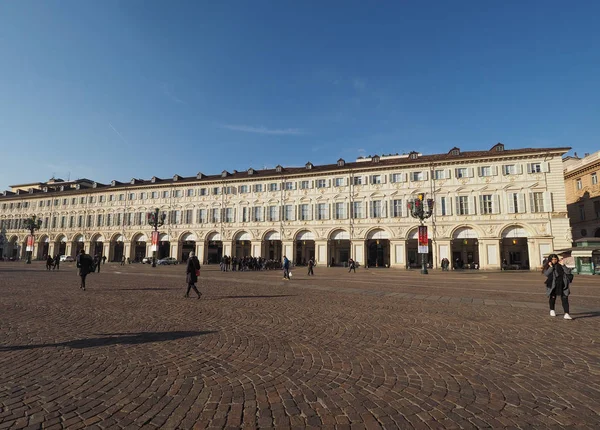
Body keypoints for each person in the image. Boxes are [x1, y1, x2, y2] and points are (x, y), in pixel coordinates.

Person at [543, 254, 573, 320]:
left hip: (563, 284)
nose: (554, 261)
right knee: (553, 297)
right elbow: (546, 274)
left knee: (565, 298)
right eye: (553, 259)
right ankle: (552, 309)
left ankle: (566, 313)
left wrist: (563, 265)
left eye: (555, 259)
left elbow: (568, 272)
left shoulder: (561, 265)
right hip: (553, 284)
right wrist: (551, 267)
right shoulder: (548, 266)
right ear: (550, 260)